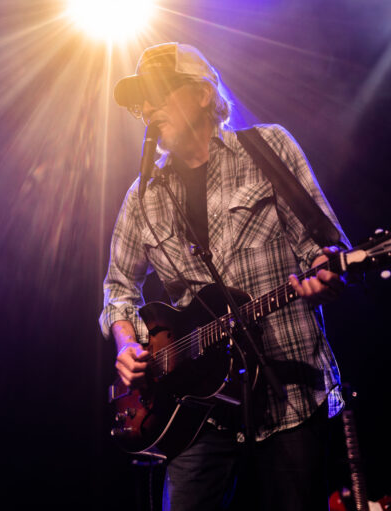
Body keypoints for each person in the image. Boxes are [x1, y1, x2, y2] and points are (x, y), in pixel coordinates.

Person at [100, 43, 350, 510]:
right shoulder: (142, 197)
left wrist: (325, 277)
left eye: (157, 93)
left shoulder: (267, 148)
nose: (148, 109)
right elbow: (118, 287)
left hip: (290, 399)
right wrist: (126, 343)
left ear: (201, 93)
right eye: (142, 101)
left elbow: (323, 249)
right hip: (197, 410)